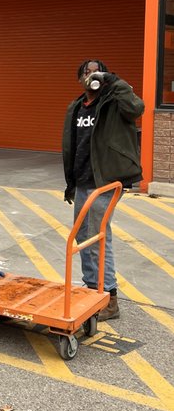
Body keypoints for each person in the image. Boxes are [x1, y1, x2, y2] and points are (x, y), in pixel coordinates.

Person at [62, 59, 144, 321]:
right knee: (82, 236)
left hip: (107, 180)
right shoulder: (76, 107)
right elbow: (73, 147)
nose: (91, 75)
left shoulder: (113, 102)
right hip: (84, 180)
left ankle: (108, 297)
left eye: (96, 71)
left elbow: (137, 108)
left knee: (96, 236)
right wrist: (71, 183)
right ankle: (92, 288)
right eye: (86, 71)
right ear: (80, 78)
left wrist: (114, 80)